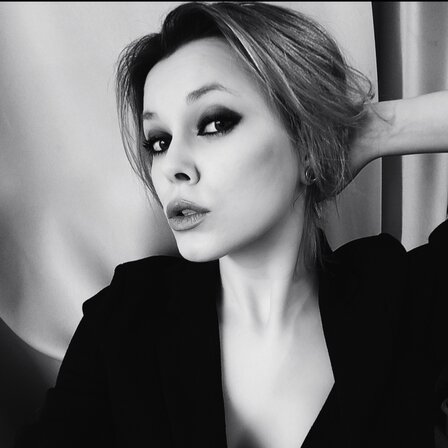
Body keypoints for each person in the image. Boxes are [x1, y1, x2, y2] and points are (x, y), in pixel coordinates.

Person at [14, 2, 448, 448]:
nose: (172, 166)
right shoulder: (126, 321)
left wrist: (374, 128)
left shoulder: (402, 298)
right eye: (158, 141)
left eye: (214, 123)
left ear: (306, 141)